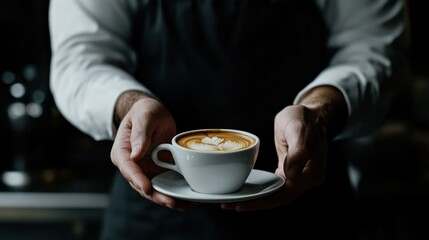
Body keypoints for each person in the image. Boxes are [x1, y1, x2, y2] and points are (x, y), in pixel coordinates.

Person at [48, 0, 407, 239]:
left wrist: (318, 111)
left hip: (306, 199)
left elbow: (373, 49)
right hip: (153, 211)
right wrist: (131, 106)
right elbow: (81, 58)